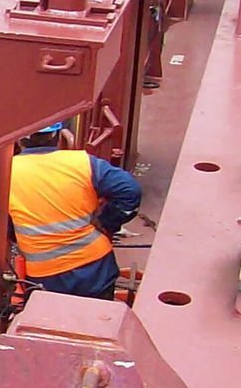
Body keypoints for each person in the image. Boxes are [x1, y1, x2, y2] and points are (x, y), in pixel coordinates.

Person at [8, 123, 143, 300]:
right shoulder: (83, 163)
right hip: (95, 268)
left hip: (46, 277)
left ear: (20, 138)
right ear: (57, 135)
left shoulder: (7, 172)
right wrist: (107, 222)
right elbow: (130, 191)